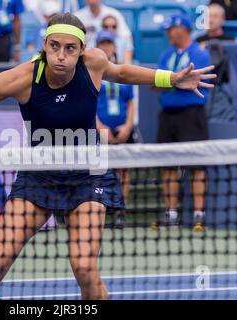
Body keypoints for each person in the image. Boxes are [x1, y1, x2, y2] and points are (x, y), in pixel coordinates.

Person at [0, 13, 215, 300]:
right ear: (44, 46)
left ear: (82, 51)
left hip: (87, 177)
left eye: (70, 49)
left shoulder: (95, 63)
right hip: (37, 177)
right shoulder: (21, 79)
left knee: (84, 267)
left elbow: (124, 73)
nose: (61, 56)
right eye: (54, 46)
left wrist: (171, 79)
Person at [150, 14, 212, 233]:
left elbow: (194, 84)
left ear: (182, 29)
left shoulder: (200, 54)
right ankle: (171, 213)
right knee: (168, 166)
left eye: (171, 29)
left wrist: (172, 83)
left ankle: (198, 215)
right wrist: (177, 83)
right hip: (168, 116)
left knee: (196, 166)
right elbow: (154, 85)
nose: (168, 33)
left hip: (191, 116)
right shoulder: (166, 56)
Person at [95, 30, 135, 228]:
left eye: (109, 43)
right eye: (102, 43)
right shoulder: (92, 72)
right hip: (100, 128)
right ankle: (99, 209)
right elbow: (88, 101)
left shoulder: (122, 71)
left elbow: (130, 102)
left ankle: (120, 210)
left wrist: (128, 125)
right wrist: (99, 126)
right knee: (98, 171)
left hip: (122, 129)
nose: (106, 47)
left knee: (123, 170)